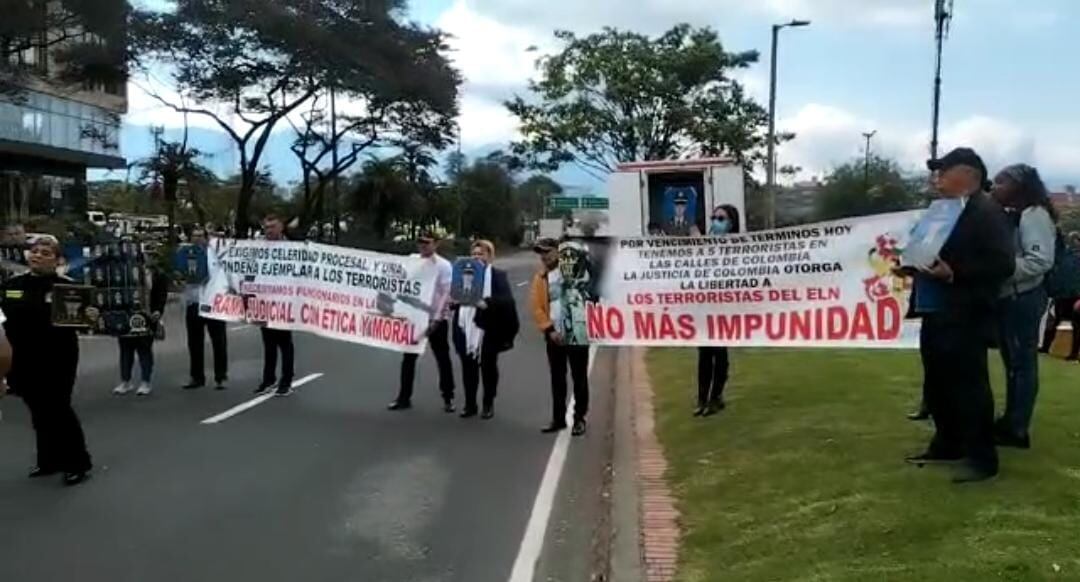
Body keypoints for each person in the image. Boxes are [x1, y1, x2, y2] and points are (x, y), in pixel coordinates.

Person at [903, 147, 1014, 484]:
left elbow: (1002, 264)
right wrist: (911, 264)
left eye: (943, 171)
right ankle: (947, 443)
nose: (937, 178)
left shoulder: (986, 211)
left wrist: (954, 273)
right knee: (938, 383)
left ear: (967, 175)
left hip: (965, 312)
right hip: (936, 310)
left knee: (969, 386)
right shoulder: (946, 211)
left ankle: (982, 459)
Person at [1, 235, 92, 485]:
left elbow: (82, 322)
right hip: (23, 357)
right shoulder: (13, 284)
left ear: (57, 260)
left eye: (45, 253)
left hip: (57, 357)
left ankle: (78, 462)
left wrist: (90, 314)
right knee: (38, 410)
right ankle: (48, 460)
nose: (38, 255)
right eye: (35, 251)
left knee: (58, 408)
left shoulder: (65, 287)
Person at [991, 164, 1056, 449]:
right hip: (1014, 296)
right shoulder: (1017, 215)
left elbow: (1040, 260)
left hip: (1023, 297)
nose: (994, 188)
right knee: (1015, 364)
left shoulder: (1034, 215)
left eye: (1000, 182)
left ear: (1019, 185)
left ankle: (1017, 427)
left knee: (1022, 364)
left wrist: (1000, 268)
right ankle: (1011, 421)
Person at [388, 232, 455, 412]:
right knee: (408, 357)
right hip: (415, 317)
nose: (423, 246)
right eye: (420, 243)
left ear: (436, 244)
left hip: (435, 317)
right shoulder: (411, 260)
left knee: (442, 357)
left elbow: (446, 293)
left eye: (427, 243)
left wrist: (437, 318)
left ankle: (448, 397)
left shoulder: (443, 266)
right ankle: (404, 397)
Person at [452, 240, 518, 419]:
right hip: (465, 326)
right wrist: (453, 302)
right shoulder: (463, 273)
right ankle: (470, 404)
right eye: (474, 254)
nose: (477, 257)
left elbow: (507, 301)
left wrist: (486, 303)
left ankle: (488, 403)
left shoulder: (497, 275)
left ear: (490, 257)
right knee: (468, 366)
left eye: (481, 254)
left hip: (488, 328)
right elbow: (454, 298)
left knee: (488, 367)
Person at [531, 238, 590, 436]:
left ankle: (579, 418)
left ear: (558, 251)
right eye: (541, 253)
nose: (544, 256)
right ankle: (558, 418)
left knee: (579, 378)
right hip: (554, 335)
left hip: (578, 335)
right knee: (557, 379)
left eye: (547, 252)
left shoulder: (578, 271)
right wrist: (549, 331)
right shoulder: (541, 277)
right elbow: (537, 307)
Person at [697, 205, 741, 416]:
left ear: (731, 223)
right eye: (713, 217)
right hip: (705, 308)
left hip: (725, 308)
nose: (715, 222)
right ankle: (702, 399)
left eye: (720, 218)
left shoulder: (740, 247)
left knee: (719, 352)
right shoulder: (705, 245)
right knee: (704, 353)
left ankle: (716, 397)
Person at [113, 256, 170, 396]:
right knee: (125, 349)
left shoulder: (158, 275)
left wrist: (158, 311)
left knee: (144, 349)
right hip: (127, 316)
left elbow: (161, 295)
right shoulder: (123, 273)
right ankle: (125, 381)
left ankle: (145, 381)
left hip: (147, 316)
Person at [183, 227, 228, 390]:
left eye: (200, 236)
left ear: (206, 238)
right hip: (193, 302)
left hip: (213, 303)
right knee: (194, 342)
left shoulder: (215, 254)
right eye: (194, 236)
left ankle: (220, 376)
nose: (197, 239)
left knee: (219, 341)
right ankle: (196, 377)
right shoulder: (186, 254)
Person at [255, 214, 295, 397]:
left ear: (281, 228)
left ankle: (286, 381)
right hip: (264, 302)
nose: (269, 231)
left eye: (272, 227)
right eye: (266, 227)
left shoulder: (292, 249)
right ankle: (268, 379)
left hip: (284, 303)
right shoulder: (258, 248)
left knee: (284, 343)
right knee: (268, 344)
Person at [1040, 231, 1080, 359]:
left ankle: (1074, 353)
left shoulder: (1069, 256)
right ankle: (1045, 347)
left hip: (1076, 296)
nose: (1073, 242)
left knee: (1077, 325)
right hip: (1061, 294)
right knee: (1052, 322)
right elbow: (1058, 247)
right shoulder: (1065, 254)